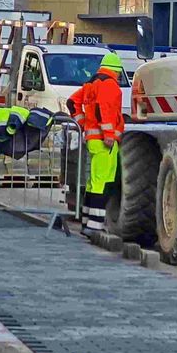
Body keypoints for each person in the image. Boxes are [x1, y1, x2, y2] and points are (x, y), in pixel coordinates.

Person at [76, 52, 125, 235]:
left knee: (93, 182)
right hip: (105, 142)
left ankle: (86, 222)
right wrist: (109, 134)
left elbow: (73, 102)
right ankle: (94, 227)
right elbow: (104, 108)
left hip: (92, 140)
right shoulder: (110, 85)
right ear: (116, 71)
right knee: (101, 184)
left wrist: (82, 124)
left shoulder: (90, 84)